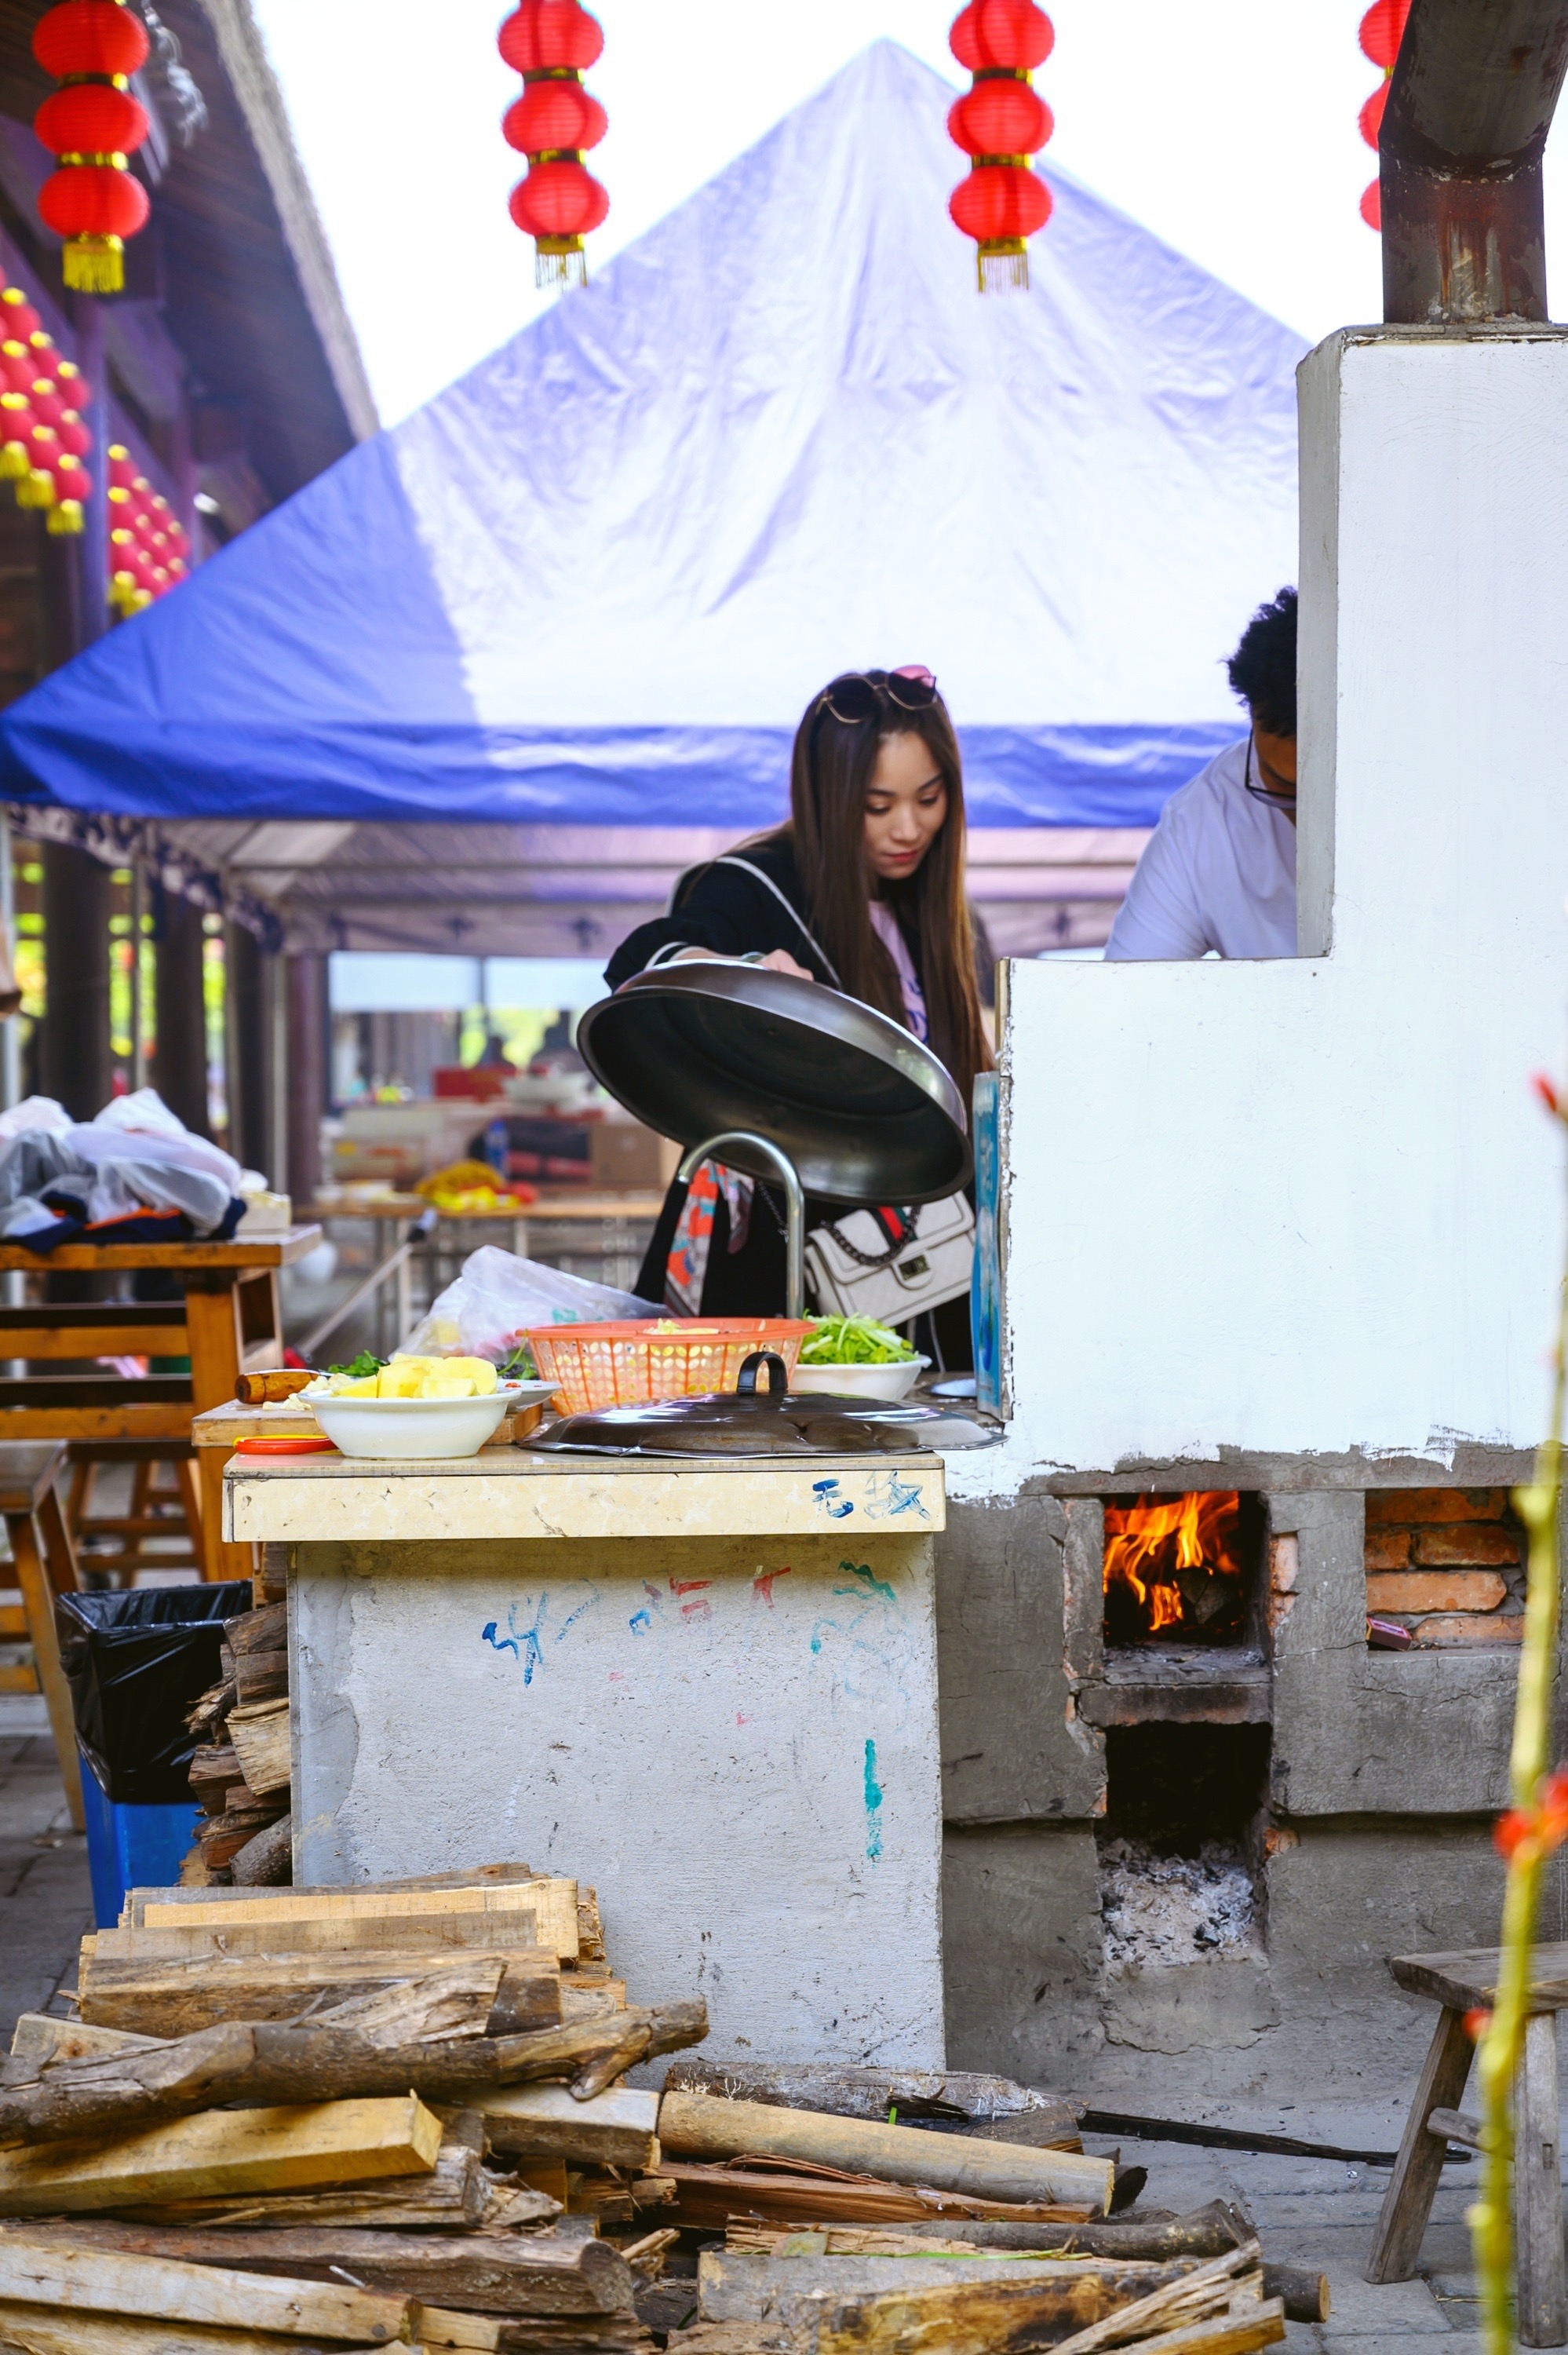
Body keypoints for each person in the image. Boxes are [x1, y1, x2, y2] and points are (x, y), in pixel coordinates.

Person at [605, 667, 992, 1353]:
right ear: (827, 798)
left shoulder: (939, 914)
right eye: (876, 806)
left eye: (929, 799)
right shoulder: (752, 886)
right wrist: (741, 970)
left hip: (933, 1269)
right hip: (776, 1267)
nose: (908, 828)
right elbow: (644, 958)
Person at [1104, 588, 1298, 961]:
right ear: (1252, 721)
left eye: (1331, 794)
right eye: (1284, 787)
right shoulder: (1202, 824)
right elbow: (1128, 989)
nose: (1307, 817)